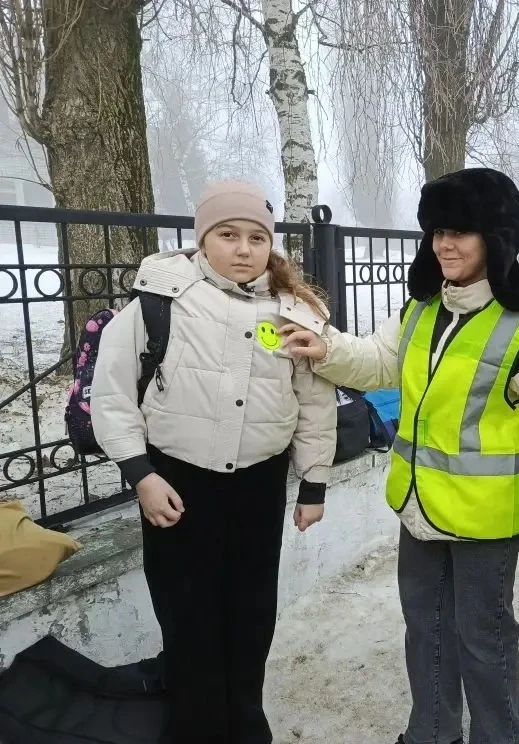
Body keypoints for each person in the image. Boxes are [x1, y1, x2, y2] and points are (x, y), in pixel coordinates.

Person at [282, 167, 519, 744]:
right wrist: (325, 348)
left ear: (496, 239)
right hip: (417, 509)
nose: (444, 244)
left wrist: (513, 491)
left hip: (485, 524)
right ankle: (432, 733)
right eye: (438, 231)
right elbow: (378, 362)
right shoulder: (420, 310)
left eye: (460, 232)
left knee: (484, 640)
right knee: (426, 630)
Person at [91, 181, 336, 744]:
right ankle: (194, 727)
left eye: (257, 237)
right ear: (203, 238)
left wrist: (314, 484)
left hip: (258, 486)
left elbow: (314, 404)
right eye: (228, 234)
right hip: (177, 485)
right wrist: (141, 476)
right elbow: (112, 395)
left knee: (251, 616)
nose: (244, 249)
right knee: (188, 616)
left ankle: (245, 725)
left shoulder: (295, 313)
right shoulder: (158, 301)